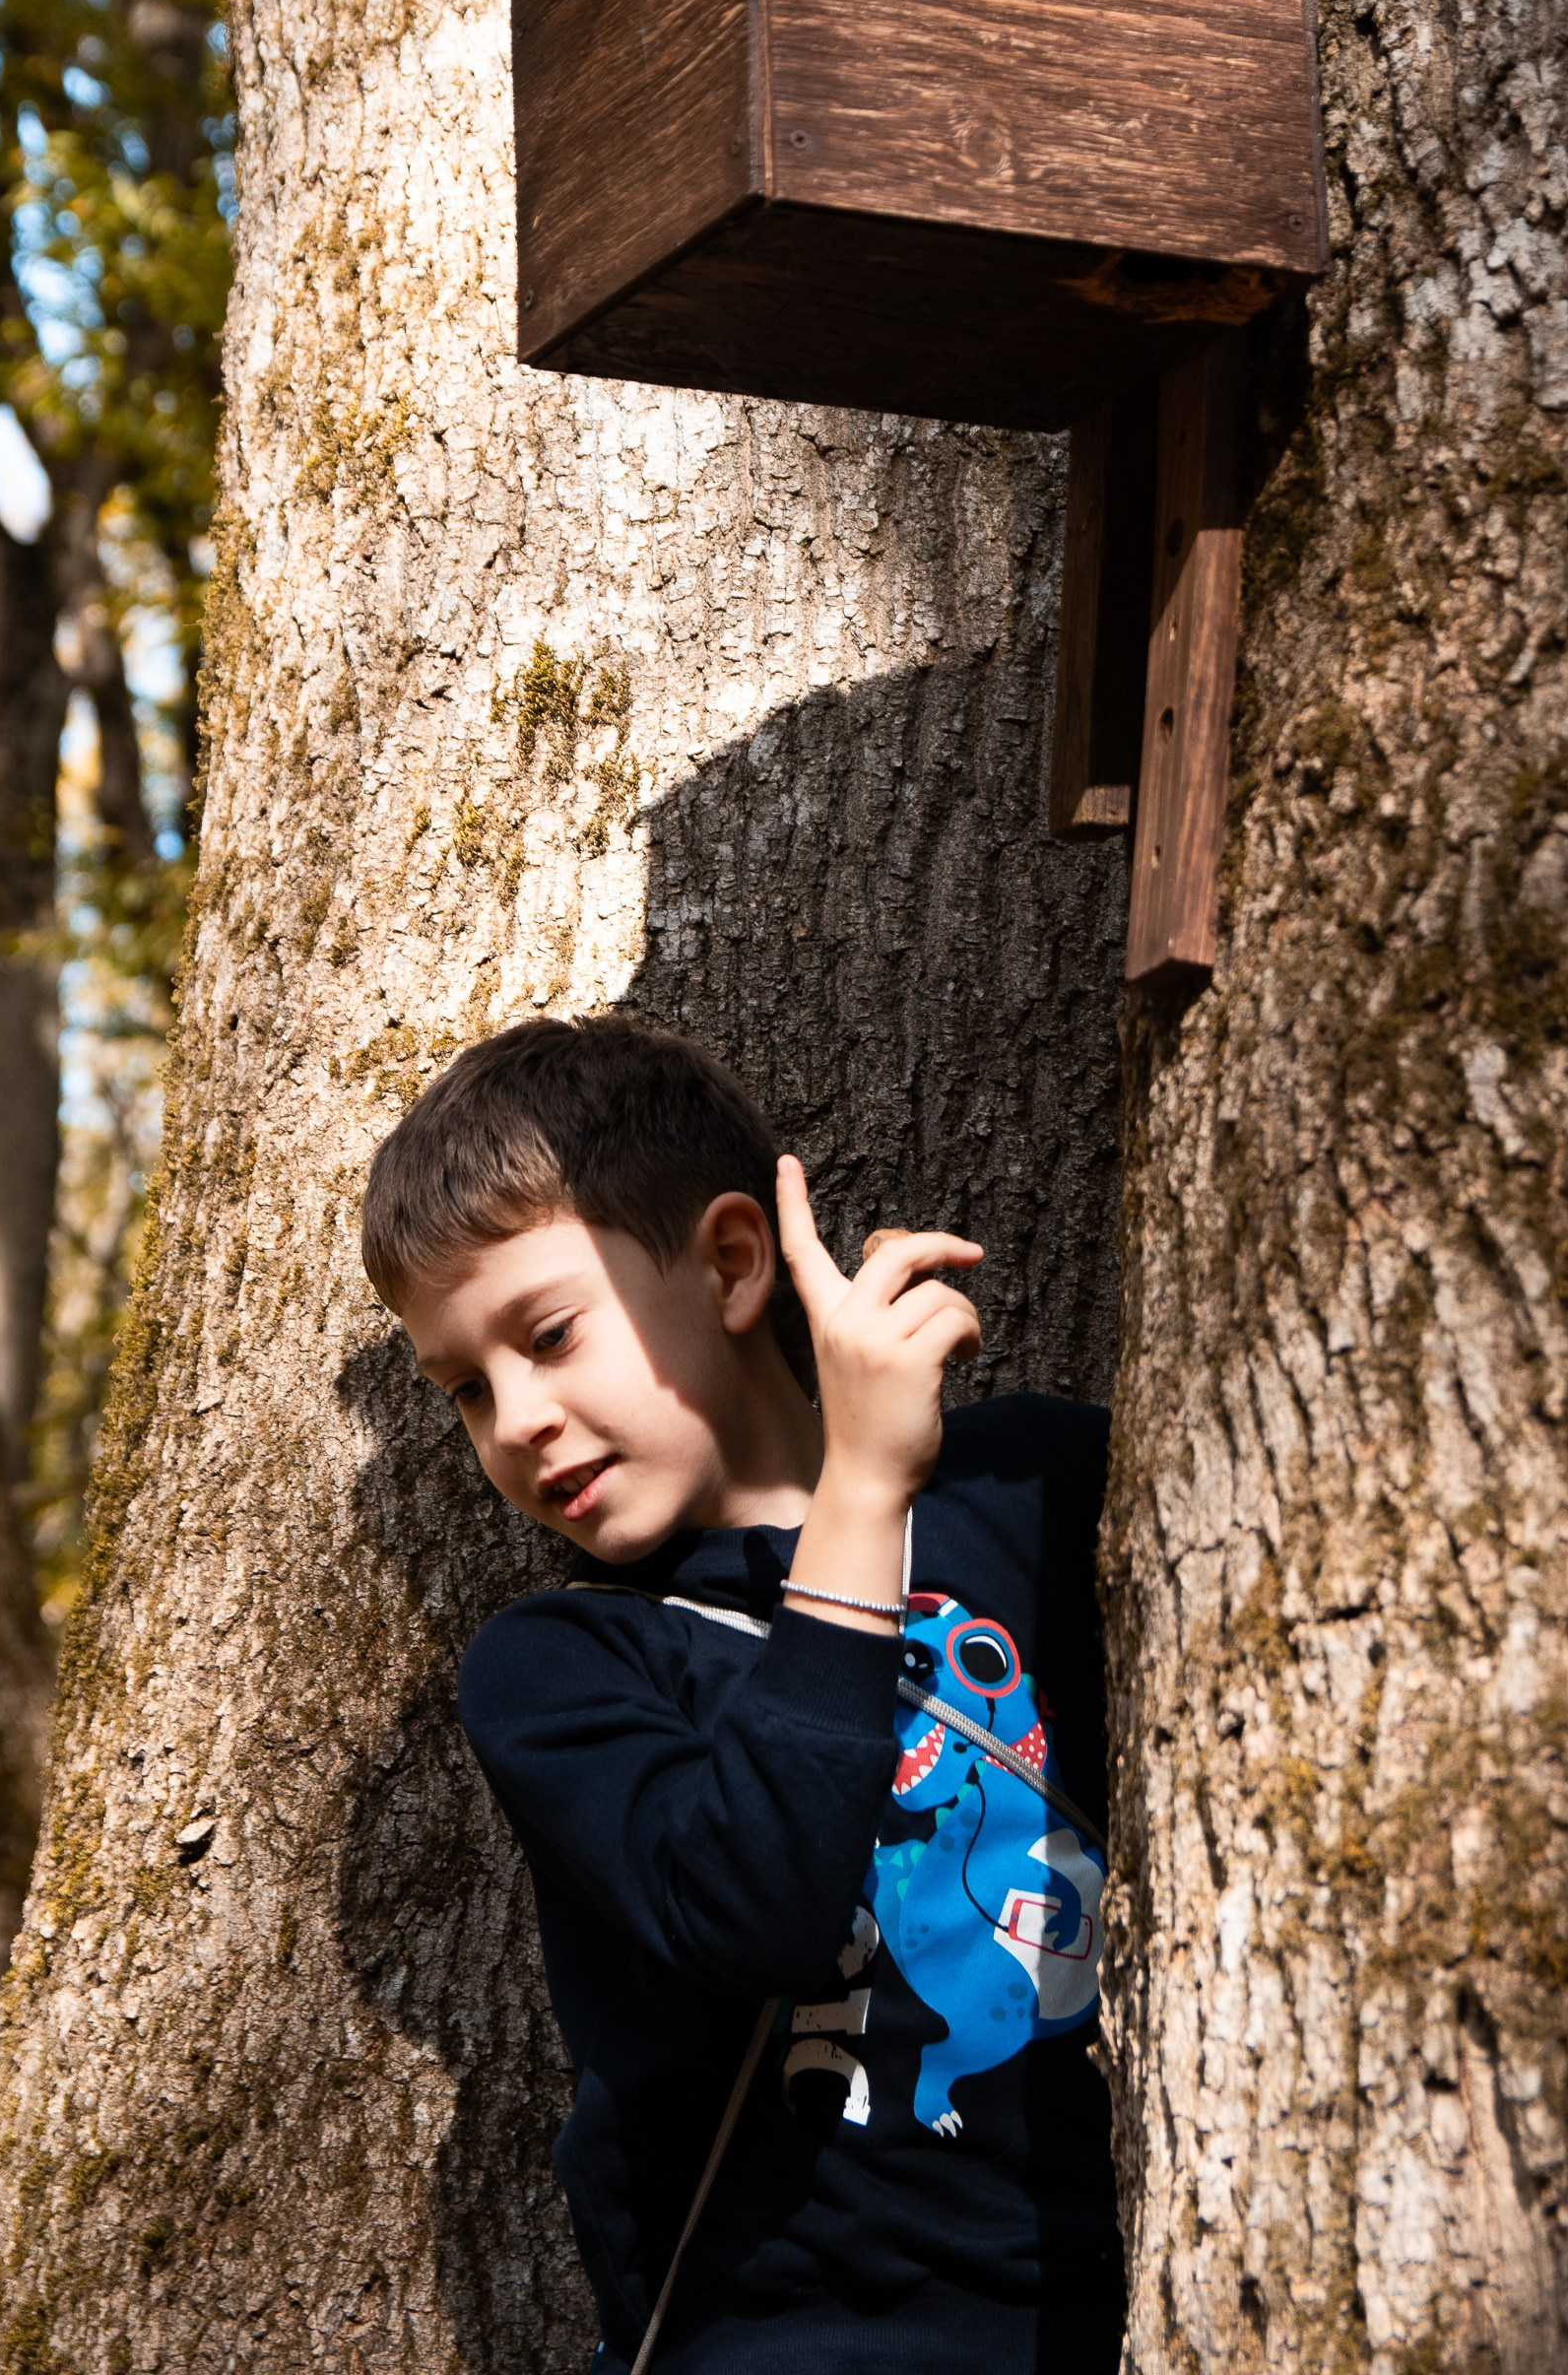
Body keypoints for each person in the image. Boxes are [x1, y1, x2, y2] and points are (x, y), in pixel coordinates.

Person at [360, 1015, 1122, 2374]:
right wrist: (865, 1490)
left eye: (548, 1334)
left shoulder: (1035, 1490)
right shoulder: (568, 1670)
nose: (515, 1418)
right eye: (466, 1390)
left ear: (727, 1262)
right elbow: (755, 1906)